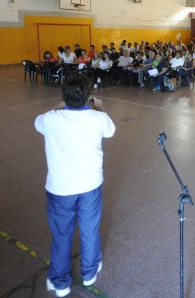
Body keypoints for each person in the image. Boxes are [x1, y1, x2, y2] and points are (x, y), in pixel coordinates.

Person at [34, 76, 115, 297]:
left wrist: (61, 105)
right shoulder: (99, 119)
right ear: (87, 95)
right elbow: (110, 131)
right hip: (90, 186)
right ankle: (89, 273)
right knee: (89, 231)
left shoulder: (50, 119)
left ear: (63, 95)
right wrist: (99, 107)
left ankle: (60, 283)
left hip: (60, 188)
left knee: (61, 234)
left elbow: (38, 121)